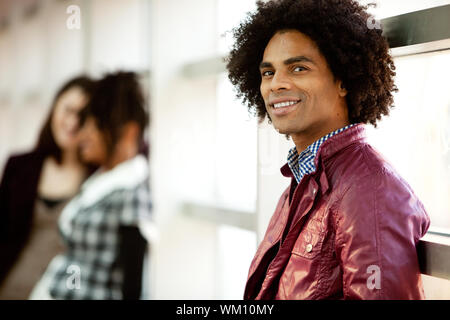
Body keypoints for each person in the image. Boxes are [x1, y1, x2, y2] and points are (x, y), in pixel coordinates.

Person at [226, 0, 430, 300]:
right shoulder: (304, 177)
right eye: (268, 72)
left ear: (343, 80)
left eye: (298, 68)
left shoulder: (369, 189)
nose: (276, 84)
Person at [29, 71, 151, 300]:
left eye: (92, 126)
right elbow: (78, 263)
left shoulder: (131, 191)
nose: (81, 133)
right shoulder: (102, 181)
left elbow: (132, 284)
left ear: (128, 132)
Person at [0, 76, 95, 299]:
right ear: (54, 108)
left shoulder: (96, 179)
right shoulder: (20, 166)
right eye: (67, 110)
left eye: (83, 116)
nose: (72, 122)